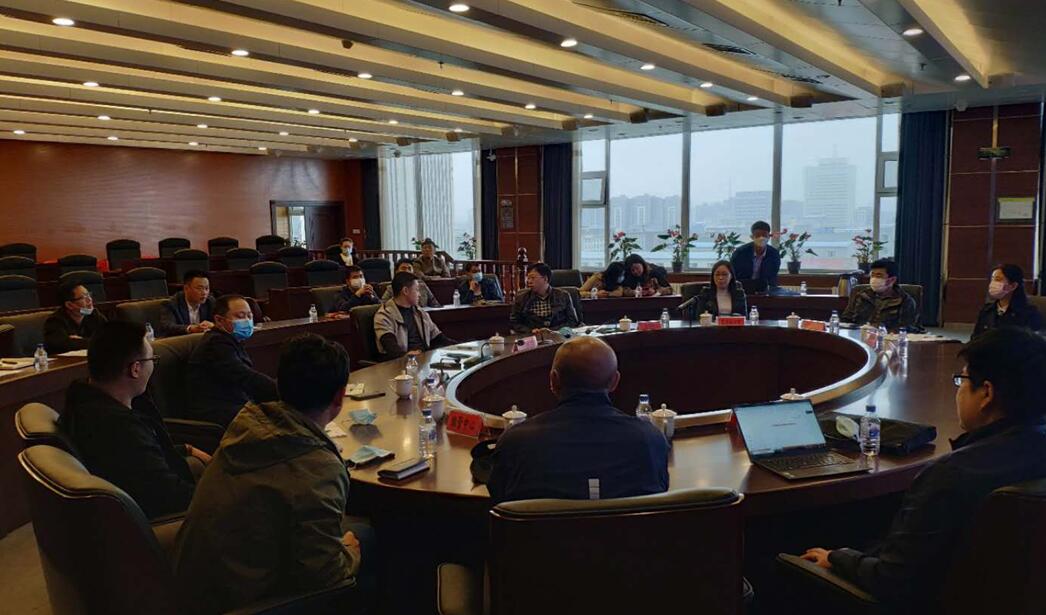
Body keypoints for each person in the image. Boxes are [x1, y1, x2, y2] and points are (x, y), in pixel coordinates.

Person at [797, 327, 1046, 609]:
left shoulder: (950, 474)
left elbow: (892, 581)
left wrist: (836, 557)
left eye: (962, 380)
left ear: (986, 393)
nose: (958, 390)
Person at [173, 334, 371, 614]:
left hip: (198, 585)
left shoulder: (247, 426)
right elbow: (324, 573)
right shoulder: (318, 467)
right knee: (366, 535)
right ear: (340, 397)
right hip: (243, 600)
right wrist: (350, 553)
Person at [487, 336, 669, 504]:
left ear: (553, 380)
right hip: (629, 531)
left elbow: (499, 501)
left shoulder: (515, 443)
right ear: (614, 381)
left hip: (546, 531)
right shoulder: (649, 440)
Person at [59, 321, 207, 519]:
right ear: (135, 369)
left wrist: (187, 449)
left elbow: (142, 458)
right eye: (152, 359)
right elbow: (170, 495)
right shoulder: (118, 428)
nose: (153, 366)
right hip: (161, 520)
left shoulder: (85, 400)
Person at [186, 294, 278, 427]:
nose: (247, 321)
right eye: (240, 316)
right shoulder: (216, 344)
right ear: (219, 320)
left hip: (236, 405)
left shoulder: (230, 340)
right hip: (216, 412)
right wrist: (281, 391)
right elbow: (244, 376)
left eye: (249, 316)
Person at [375, 272, 455, 358]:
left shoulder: (419, 312)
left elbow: (438, 338)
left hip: (424, 359)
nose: (419, 294)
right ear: (405, 291)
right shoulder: (384, 315)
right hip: (403, 362)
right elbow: (391, 349)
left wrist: (459, 346)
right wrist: (408, 357)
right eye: (417, 289)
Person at [841, 258, 920, 331]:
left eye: (879, 276)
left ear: (892, 280)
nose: (874, 279)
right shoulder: (861, 295)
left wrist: (877, 329)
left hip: (886, 338)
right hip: (858, 336)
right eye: (872, 275)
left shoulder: (905, 300)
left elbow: (906, 329)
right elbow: (846, 320)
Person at [972, 264, 1041, 339]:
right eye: (992, 279)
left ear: (1013, 286)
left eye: (998, 279)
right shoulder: (986, 311)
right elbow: (975, 338)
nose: (992, 284)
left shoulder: (1029, 313)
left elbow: (1032, 342)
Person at [510, 262, 581, 334]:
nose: (529, 281)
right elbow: (514, 322)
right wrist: (530, 330)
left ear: (545, 279)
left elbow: (572, 322)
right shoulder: (521, 298)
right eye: (528, 278)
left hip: (558, 335)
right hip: (532, 336)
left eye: (532, 278)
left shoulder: (563, 296)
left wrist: (553, 331)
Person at [44, 281, 107, 354]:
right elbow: (61, 345)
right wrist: (94, 341)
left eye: (89, 295)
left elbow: (109, 338)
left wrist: (81, 340)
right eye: (83, 297)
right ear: (69, 305)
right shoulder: (55, 321)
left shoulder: (93, 314)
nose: (89, 300)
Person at [158, 270, 215, 337]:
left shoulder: (210, 301)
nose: (204, 293)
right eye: (199, 288)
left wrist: (213, 325)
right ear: (186, 288)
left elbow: (222, 320)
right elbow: (167, 327)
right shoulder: (171, 304)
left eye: (206, 288)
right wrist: (190, 328)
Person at [730, 220, 781, 288]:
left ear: (769, 236)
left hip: (766, 289)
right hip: (743, 288)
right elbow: (734, 275)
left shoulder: (774, 254)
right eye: (758, 235)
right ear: (752, 237)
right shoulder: (740, 253)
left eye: (764, 235)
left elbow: (772, 277)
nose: (761, 238)